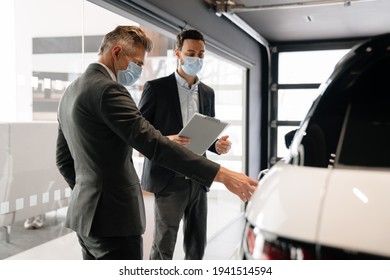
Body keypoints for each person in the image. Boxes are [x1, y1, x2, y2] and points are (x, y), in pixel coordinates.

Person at [56, 25, 258, 260]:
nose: (139, 70)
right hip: (115, 220)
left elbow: (63, 160)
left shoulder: (70, 91)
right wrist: (222, 174)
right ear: (117, 52)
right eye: (138, 63)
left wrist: (88, 195)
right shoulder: (109, 90)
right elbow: (154, 144)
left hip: (85, 218)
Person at [138, 29, 232, 260]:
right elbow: (138, 134)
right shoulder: (156, 88)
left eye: (201, 54)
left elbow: (205, 136)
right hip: (169, 179)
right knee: (164, 246)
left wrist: (217, 146)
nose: (196, 59)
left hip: (199, 178)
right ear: (177, 53)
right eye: (191, 53)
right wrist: (167, 139)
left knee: (196, 244)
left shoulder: (207, 93)